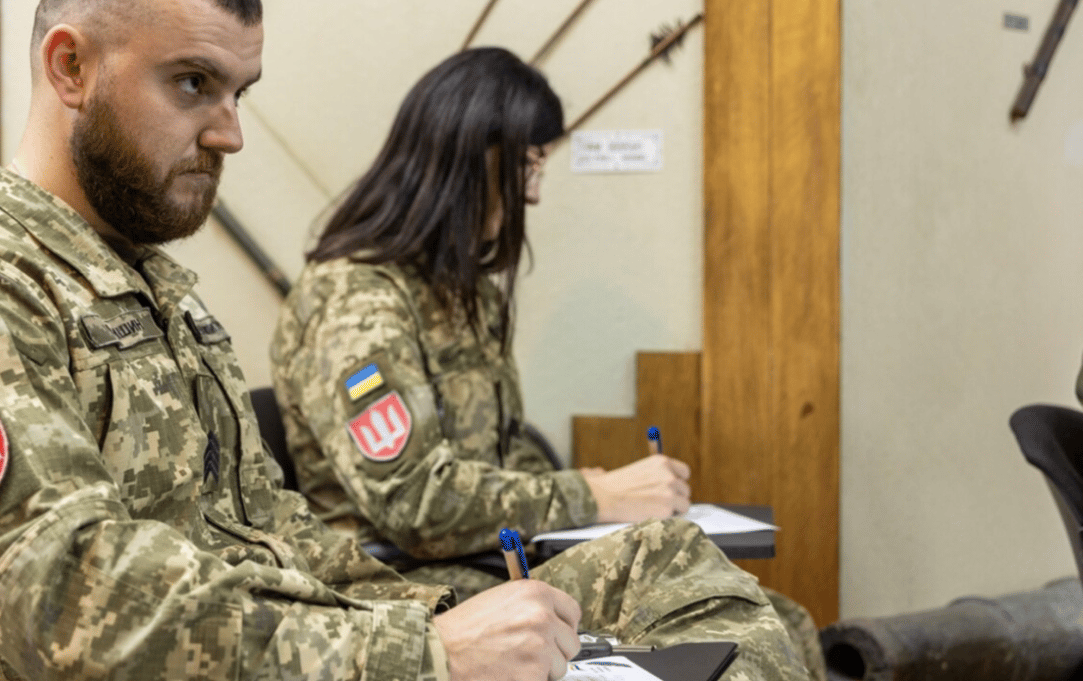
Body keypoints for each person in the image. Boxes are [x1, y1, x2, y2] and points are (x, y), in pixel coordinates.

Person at [0, 0, 808, 680]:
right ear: (72, 66)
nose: (229, 132)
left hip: (304, 639)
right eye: (192, 84)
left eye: (239, 92)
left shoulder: (147, 283)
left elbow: (276, 533)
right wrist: (426, 652)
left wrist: (439, 616)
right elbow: (72, 609)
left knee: (678, 576)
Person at [269, 47, 824, 675]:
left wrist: (598, 494)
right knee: (715, 605)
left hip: (487, 560)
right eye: (529, 164)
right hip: (410, 589)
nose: (533, 193)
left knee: (779, 615)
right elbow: (414, 501)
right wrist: (593, 495)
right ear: (473, 159)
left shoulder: (461, 292)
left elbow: (506, 452)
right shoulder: (356, 300)